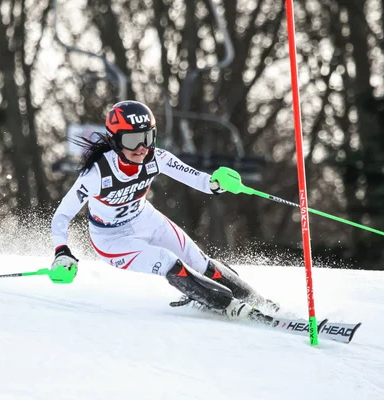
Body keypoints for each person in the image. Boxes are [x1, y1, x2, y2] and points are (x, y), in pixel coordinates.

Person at [50, 100, 276, 321]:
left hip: (146, 219)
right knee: (166, 260)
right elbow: (62, 214)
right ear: (115, 141)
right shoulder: (96, 174)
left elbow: (197, 178)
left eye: (147, 138)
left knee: (198, 261)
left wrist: (216, 183)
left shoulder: (156, 157)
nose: (141, 148)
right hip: (112, 239)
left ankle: (259, 302)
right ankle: (228, 306)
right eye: (132, 140)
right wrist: (62, 251)